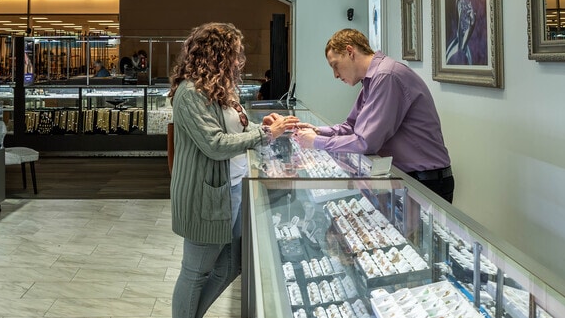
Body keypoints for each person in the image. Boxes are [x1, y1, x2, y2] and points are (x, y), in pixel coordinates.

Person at [169, 22, 299, 318]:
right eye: (236, 54)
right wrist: (265, 135)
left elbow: (235, 129)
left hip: (233, 188)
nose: (241, 61)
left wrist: (263, 126)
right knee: (195, 272)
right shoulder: (190, 93)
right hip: (205, 196)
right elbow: (214, 143)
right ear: (217, 55)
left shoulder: (219, 89)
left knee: (230, 264)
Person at [294, 28, 453, 203]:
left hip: (426, 181)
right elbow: (350, 127)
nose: (336, 75)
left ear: (349, 51)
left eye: (335, 65)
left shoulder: (386, 76)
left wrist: (316, 142)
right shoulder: (372, 80)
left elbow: (365, 143)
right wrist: (317, 131)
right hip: (408, 177)